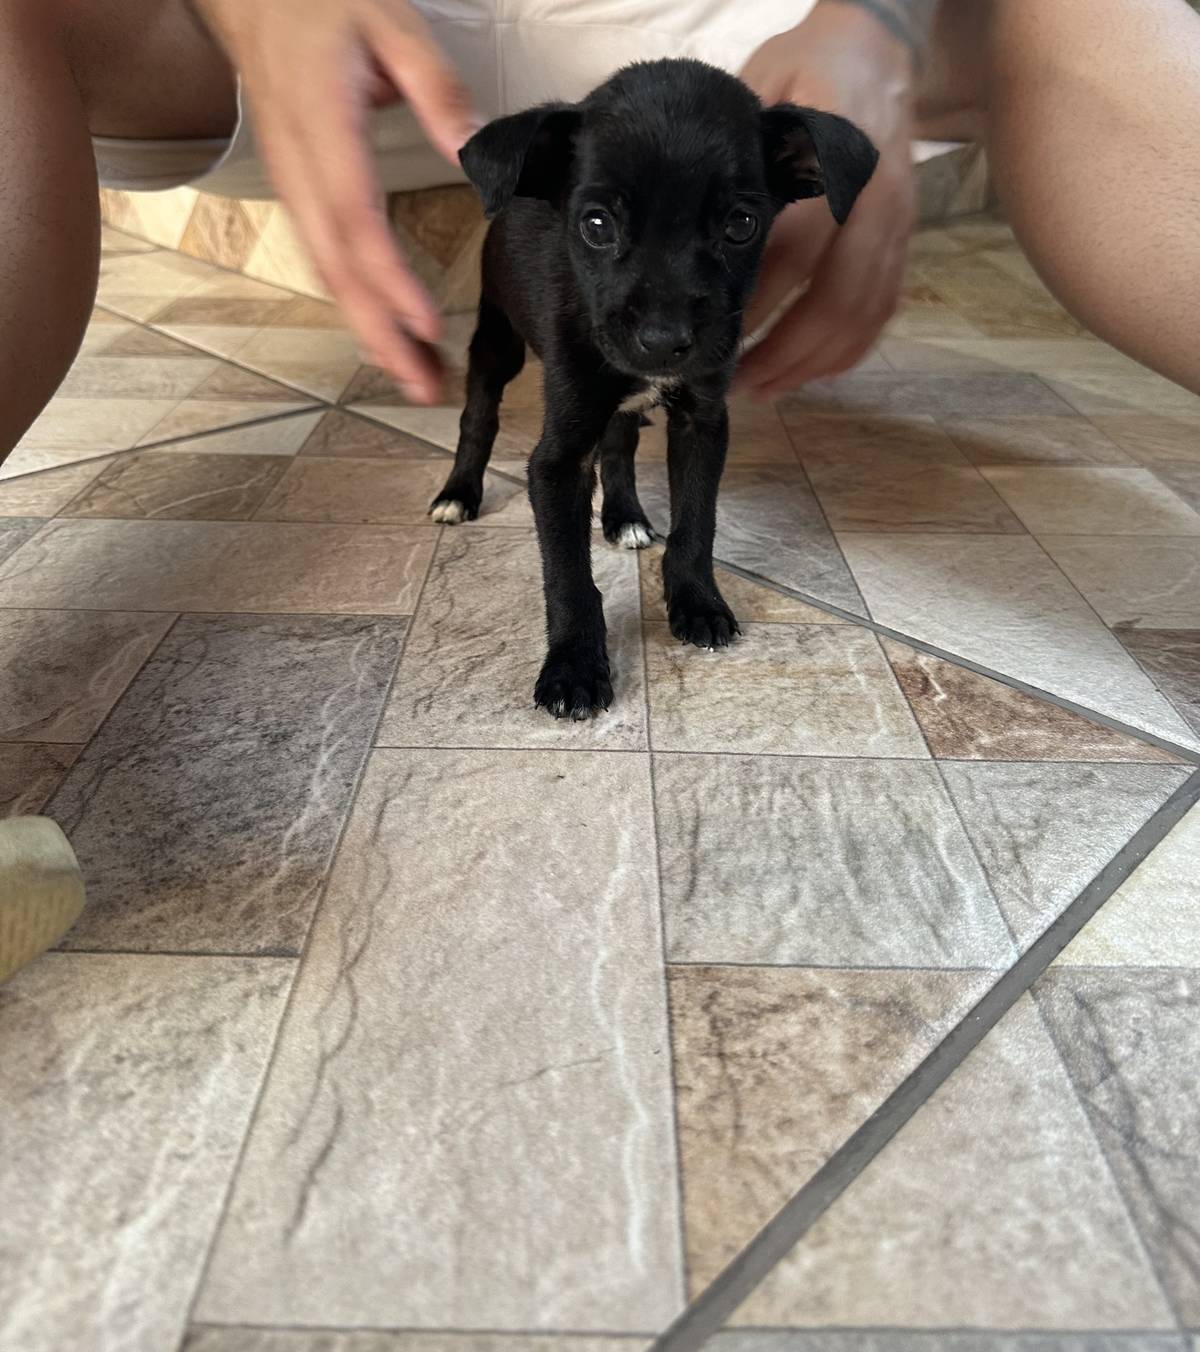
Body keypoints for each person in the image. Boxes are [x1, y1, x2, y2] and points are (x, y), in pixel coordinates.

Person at [2, 0, 1200, 981]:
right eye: (602, 228)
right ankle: (474, 479)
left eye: (733, 224)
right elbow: (553, 459)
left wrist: (879, 15)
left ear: (792, 176)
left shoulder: (749, 172)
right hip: (339, 47)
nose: (670, 315)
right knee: (510, 400)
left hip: (744, 23)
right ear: (559, 204)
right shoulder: (541, 228)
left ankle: (670, 551)